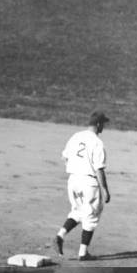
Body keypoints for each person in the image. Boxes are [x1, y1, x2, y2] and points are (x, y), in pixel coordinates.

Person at [54, 111, 111, 261]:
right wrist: (105, 190)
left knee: (78, 211)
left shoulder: (76, 136)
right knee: (91, 216)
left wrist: (76, 170)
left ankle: (60, 235)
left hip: (73, 181)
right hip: (89, 183)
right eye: (103, 123)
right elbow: (99, 169)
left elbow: (65, 157)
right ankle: (83, 253)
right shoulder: (97, 143)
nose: (103, 127)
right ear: (98, 124)